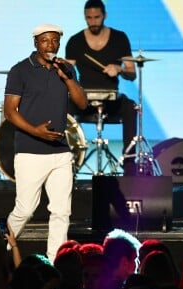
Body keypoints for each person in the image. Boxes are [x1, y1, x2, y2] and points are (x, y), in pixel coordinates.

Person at [3, 23, 87, 263]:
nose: (50, 46)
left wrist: (68, 79)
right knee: (25, 209)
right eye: (45, 41)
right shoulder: (20, 70)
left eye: (54, 41)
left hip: (60, 152)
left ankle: (55, 263)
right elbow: (10, 111)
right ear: (35, 43)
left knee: (61, 211)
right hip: (30, 152)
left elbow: (82, 103)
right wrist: (36, 132)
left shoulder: (66, 69)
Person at [65, 0, 137, 176]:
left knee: (130, 108)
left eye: (96, 17)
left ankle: (129, 164)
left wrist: (119, 69)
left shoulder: (119, 38)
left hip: (111, 99)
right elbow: (67, 73)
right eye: (88, 18)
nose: (93, 22)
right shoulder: (75, 41)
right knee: (63, 106)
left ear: (104, 15)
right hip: (84, 99)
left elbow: (132, 72)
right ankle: (64, 160)